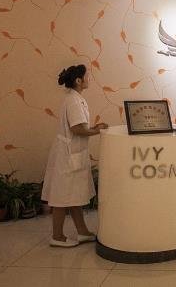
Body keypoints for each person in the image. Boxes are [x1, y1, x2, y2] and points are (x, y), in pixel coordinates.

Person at [41, 64, 108, 247]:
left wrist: (94, 128)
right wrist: (98, 130)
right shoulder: (73, 101)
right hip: (68, 155)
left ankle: (82, 231)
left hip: (72, 153)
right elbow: (77, 129)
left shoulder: (76, 98)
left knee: (73, 194)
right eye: (87, 76)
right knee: (61, 196)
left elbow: (80, 126)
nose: (89, 79)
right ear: (79, 80)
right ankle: (57, 236)